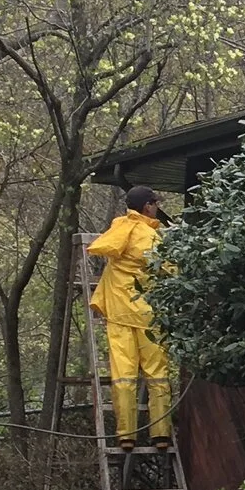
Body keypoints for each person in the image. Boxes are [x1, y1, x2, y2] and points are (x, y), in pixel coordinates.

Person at [88, 185, 174, 449]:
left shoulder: (118, 229)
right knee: (157, 374)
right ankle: (161, 433)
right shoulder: (151, 236)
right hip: (148, 315)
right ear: (148, 206)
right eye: (155, 204)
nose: (157, 207)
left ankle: (126, 434)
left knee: (123, 376)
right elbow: (170, 270)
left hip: (118, 313)